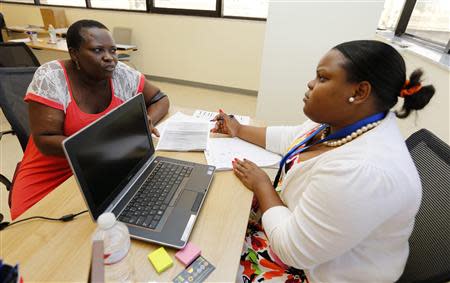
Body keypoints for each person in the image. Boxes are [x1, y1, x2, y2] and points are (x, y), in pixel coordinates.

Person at [212, 40, 435, 283]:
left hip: (315, 272)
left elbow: (292, 251)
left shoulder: (361, 171)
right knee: (216, 218)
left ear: (359, 92)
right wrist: (238, 128)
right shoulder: (346, 122)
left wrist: (262, 185)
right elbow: (291, 138)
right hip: (298, 235)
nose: (310, 83)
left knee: (212, 262)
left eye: (322, 78)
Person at [10, 20, 169, 220]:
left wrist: (146, 120)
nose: (109, 58)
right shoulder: (51, 78)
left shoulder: (120, 73)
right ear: (74, 53)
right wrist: (104, 145)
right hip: (51, 175)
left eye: (113, 50)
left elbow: (160, 99)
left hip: (100, 169)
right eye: (97, 50)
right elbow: (45, 141)